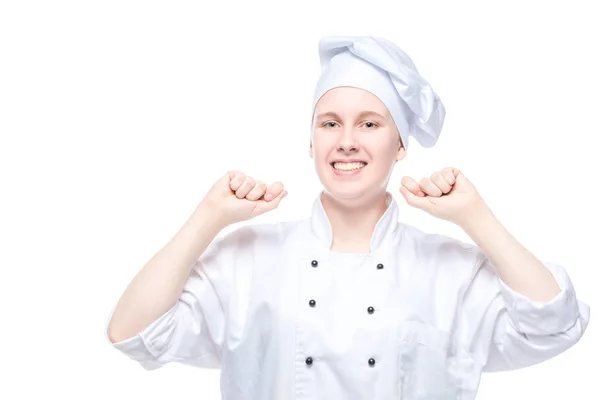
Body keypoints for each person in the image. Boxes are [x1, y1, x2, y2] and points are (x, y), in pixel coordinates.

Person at [105, 35, 590, 399]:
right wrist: (207, 217)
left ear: (400, 145)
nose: (347, 141)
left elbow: (555, 325)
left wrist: (477, 218)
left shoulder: (451, 270)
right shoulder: (247, 259)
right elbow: (132, 333)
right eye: (330, 123)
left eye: (370, 123)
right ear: (311, 141)